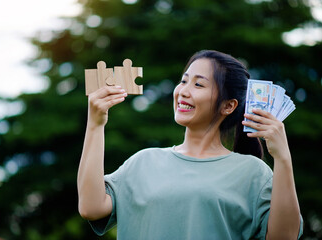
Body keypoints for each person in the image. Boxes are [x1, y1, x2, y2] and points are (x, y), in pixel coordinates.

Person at [77, 50, 303, 239]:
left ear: (228, 106)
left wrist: (283, 158)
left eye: (198, 85)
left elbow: (285, 236)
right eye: (184, 81)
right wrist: (95, 124)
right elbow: (91, 207)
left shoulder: (253, 172)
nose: (183, 91)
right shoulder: (143, 161)